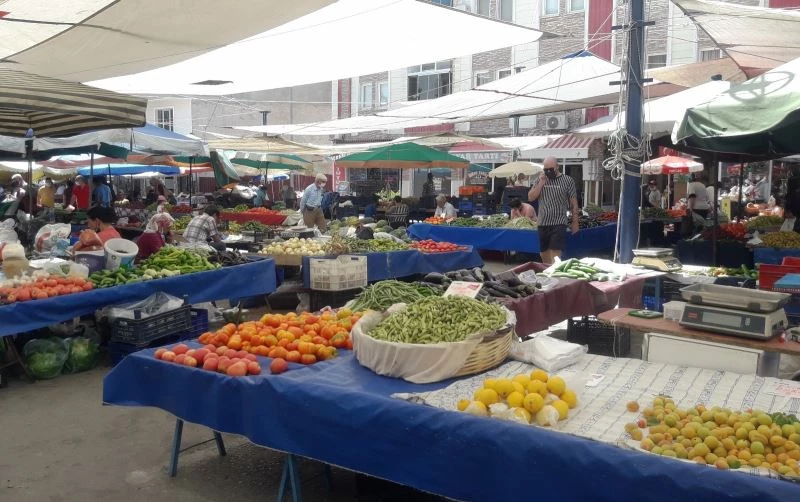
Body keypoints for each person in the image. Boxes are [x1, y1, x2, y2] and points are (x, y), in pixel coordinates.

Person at [528, 157, 579, 264]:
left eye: (550, 169)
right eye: (545, 169)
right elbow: (530, 197)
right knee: (543, 254)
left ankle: (555, 276)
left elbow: (574, 203)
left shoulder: (568, 180)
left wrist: (575, 222)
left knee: (555, 253)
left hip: (559, 222)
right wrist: (541, 183)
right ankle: (548, 275)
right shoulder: (540, 179)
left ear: (557, 167)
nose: (548, 172)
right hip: (543, 222)